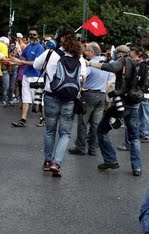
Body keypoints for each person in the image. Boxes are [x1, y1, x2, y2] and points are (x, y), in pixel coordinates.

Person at [32, 24, 85, 177]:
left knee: (50, 130)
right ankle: (57, 162)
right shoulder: (78, 56)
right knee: (65, 133)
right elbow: (80, 77)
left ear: (60, 38)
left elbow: (36, 65)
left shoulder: (50, 53)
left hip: (51, 95)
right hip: (69, 98)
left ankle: (48, 161)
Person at [89, 45, 142, 176]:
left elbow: (111, 67)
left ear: (120, 54)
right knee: (134, 137)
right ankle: (137, 168)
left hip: (121, 104)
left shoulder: (122, 61)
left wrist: (90, 63)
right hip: (134, 103)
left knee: (101, 130)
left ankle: (110, 160)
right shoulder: (135, 62)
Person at [69, 42, 110, 156]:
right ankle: (92, 148)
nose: (84, 52)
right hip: (101, 95)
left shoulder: (90, 64)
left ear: (92, 52)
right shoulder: (105, 62)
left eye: (86, 50)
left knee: (83, 122)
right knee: (95, 124)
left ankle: (80, 147)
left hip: (89, 95)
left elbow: (82, 76)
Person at [10, 26, 45, 127]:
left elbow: (36, 63)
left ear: (37, 36)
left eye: (34, 34)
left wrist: (21, 61)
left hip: (36, 77)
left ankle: (43, 119)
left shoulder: (40, 48)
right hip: (26, 76)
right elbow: (22, 58)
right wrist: (13, 61)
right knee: (26, 99)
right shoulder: (28, 47)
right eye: (30, 34)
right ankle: (22, 120)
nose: (32, 36)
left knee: (38, 101)